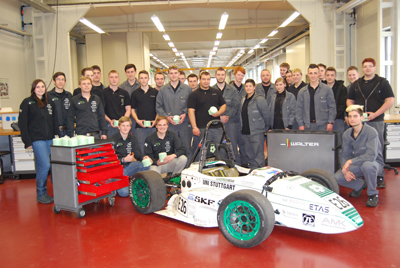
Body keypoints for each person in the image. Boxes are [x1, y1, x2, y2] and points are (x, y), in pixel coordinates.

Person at [347, 58, 394, 188]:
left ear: (375, 68)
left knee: (377, 149)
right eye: (365, 66)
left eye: (370, 66)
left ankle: (379, 176)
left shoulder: (383, 83)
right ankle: (364, 174)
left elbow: (390, 100)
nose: (367, 68)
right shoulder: (356, 84)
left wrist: (376, 114)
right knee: (360, 149)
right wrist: (353, 114)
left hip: (376, 121)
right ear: (362, 68)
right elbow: (349, 100)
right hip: (359, 123)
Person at [334, 105, 384, 207]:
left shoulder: (371, 132)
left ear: (362, 118)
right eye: (350, 116)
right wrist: (345, 168)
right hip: (357, 163)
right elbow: (344, 154)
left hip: (373, 163)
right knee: (338, 177)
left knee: (368, 166)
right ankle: (360, 185)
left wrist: (350, 162)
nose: (352, 119)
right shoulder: (347, 133)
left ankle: (373, 194)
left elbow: (371, 156)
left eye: (355, 116)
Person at [19, 79, 59, 204]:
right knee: (45, 165)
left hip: (50, 138)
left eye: (42, 87)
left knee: (49, 165)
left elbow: (54, 120)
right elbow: (22, 124)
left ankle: (50, 192)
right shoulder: (27, 102)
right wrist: (27, 141)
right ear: (33, 89)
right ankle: (41, 193)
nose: (41, 89)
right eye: (38, 87)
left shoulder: (49, 102)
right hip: (37, 139)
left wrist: (56, 135)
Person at [156, 65, 192, 163]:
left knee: (186, 147)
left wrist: (184, 113)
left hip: (184, 124)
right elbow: (158, 107)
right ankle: (172, 172)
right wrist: (167, 117)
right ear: (168, 75)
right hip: (170, 125)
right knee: (170, 149)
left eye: (175, 73)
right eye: (171, 73)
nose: (173, 75)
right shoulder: (163, 90)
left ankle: (187, 170)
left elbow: (191, 105)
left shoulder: (187, 89)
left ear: (179, 74)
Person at [188, 71, 227, 159]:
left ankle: (220, 168)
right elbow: (191, 112)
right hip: (202, 128)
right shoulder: (194, 95)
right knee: (204, 151)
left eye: (208, 79)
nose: (206, 81)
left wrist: (219, 113)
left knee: (220, 150)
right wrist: (194, 127)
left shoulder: (216, 92)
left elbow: (224, 105)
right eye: (204, 79)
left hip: (217, 127)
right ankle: (205, 170)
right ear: (199, 80)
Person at [111, 116, 150, 197]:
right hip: (118, 168)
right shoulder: (113, 139)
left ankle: (137, 185)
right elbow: (110, 159)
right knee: (124, 193)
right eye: (123, 125)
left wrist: (144, 158)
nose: (125, 128)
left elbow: (138, 153)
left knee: (145, 164)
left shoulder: (133, 138)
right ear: (119, 127)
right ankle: (120, 179)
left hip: (130, 167)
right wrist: (123, 160)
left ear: (130, 127)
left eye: (127, 126)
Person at [212, 67, 241, 164]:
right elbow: (209, 107)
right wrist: (219, 117)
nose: (220, 77)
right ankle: (221, 166)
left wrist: (227, 116)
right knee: (219, 146)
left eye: (222, 75)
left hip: (230, 122)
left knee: (232, 145)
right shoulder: (211, 90)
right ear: (215, 76)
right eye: (218, 75)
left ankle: (236, 166)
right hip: (216, 123)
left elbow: (236, 106)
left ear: (225, 76)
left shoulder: (232, 90)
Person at [296, 64, 336, 131]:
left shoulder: (327, 89)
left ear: (319, 74)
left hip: (323, 126)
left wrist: (330, 122)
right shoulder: (302, 92)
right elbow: (299, 109)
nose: (313, 76)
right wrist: (300, 124)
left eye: (315, 73)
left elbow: (332, 107)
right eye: (311, 73)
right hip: (307, 126)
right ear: (308, 74)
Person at [240, 79, 269, 168]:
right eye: (246, 86)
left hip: (256, 132)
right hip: (245, 132)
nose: (248, 88)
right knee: (250, 154)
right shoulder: (243, 99)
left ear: (254, 87)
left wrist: (264, 129)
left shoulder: (259, 99)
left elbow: (266, 116)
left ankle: (260, 172)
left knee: (258, 155)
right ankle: (252, 171)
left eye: (250, 86)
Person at [131, 70, 158, 152]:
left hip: (153, 126)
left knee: (154, 147)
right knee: (141, 148)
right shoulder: (135, 93)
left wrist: (156, 121)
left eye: (145, 78)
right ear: (138, 79)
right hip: (140, 127)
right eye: (141, 78)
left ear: (149, 79)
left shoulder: (155, 92)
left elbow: (158, 109)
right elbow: (132, 110)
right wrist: (137, 121)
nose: (143, 80)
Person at [103, 70, 131, 138]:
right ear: (108, 79)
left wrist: (122, 121)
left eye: (116, 77)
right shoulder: (103, 93)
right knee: (111, 146)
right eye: (111, 77)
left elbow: (128, 109)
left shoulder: (124, 93)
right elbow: (101, 111)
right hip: (109, 125)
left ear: (119, 79)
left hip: (122, 126)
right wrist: (110, 121)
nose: (114, 79)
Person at [232, 66, 249, 167]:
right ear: (234, 75)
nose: (240, 77)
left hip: (243, 121)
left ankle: (245, 163)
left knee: (243, 143)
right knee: (233, 143)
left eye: (242, 75)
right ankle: (236, 163)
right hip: (232, 121)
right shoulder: (229, 88)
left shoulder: (246, 88)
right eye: (238, 74)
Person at [325, 67, 347, 144]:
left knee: (339, 141)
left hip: (338, 119)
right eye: (328, 75)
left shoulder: (342, 88)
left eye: (332, 75)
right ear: (325, 76)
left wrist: (332, 118)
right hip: (324, 119)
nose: (330, 77)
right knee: (326, 142)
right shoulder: (321, 87)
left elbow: (342, 105)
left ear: (335, 76)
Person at [47, 72, 72, 137]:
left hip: (67, 131)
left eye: (62, 79)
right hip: (54, 131)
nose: (60, 82)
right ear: (54, 81)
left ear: (65, 82)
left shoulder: (69, 95)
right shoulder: (48, 96)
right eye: (58, 79)